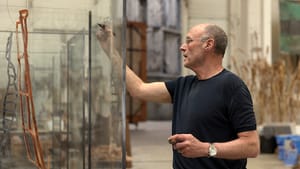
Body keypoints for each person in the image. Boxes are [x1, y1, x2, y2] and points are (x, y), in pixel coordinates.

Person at [97, 23, 260, 169]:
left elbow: (251, 146)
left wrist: (205, 149)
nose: (182, 47)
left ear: (208, 44)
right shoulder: (183, 85)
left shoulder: (232, 86)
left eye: (189, 41)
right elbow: (139, 89)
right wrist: (110, 50)